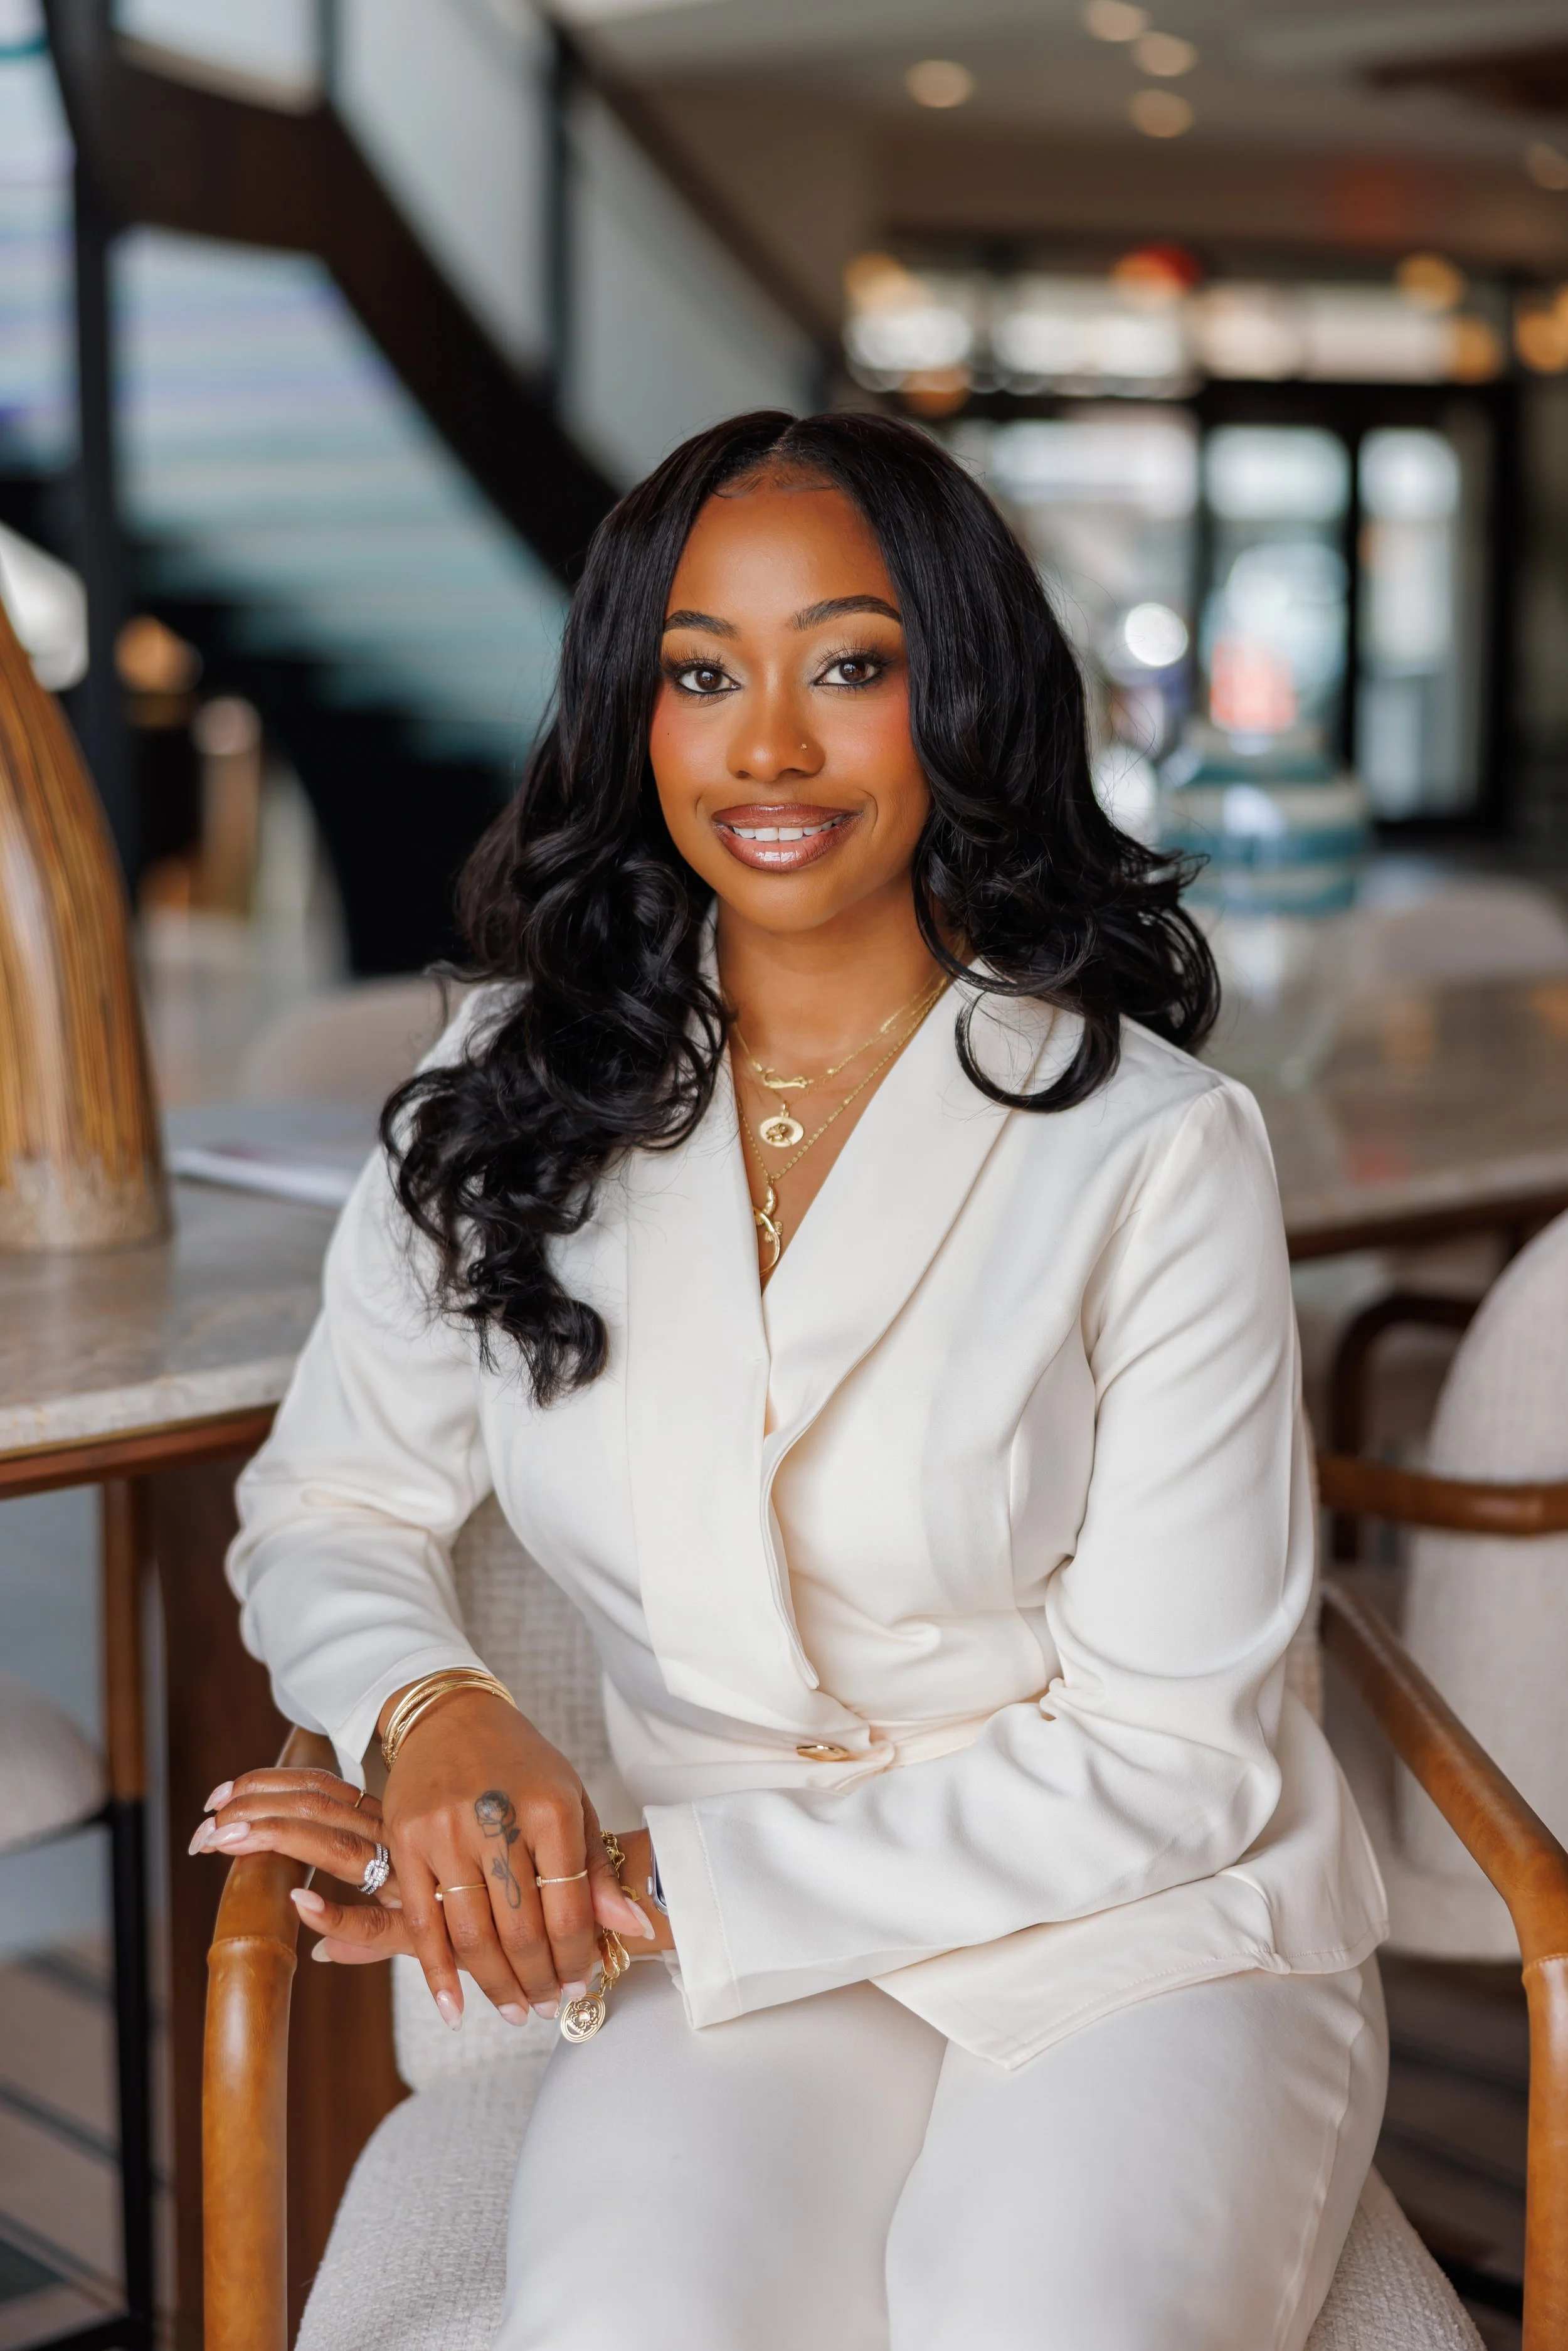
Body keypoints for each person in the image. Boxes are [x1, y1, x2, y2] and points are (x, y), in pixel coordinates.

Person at [191, 410, 1387, 2350]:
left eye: (847, 667)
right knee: (627, 2321)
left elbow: (1177, 1759)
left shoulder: (1155, 1148)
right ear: (630, 709)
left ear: (964, 698)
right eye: (699, 674)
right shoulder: (505, 1094)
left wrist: (628, 1876)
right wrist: (430, 1713)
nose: (764, 746)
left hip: (1140, 1926)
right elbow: (328, 1501)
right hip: (734, 1947)